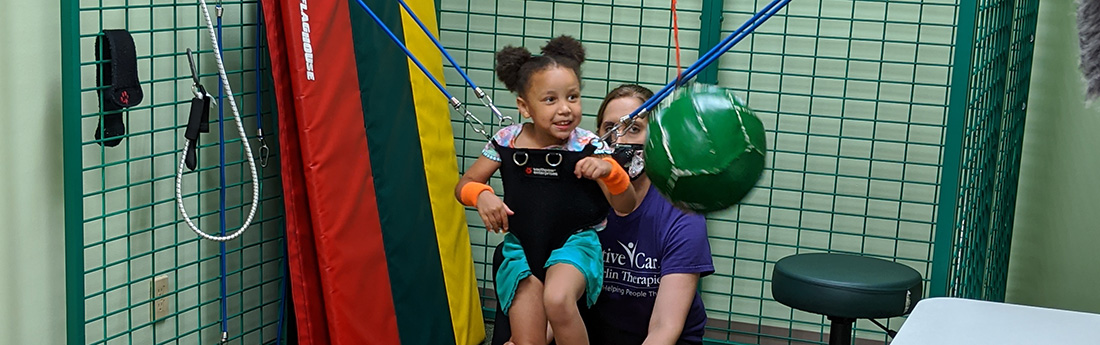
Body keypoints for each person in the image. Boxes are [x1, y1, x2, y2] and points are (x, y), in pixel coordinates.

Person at [455, 36, 638, 345]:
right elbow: (463, 186)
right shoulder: (506, 142)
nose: (565, 109)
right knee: (527, 341)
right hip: (522, 249)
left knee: (557, 299)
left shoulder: (590, 146)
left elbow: (626, 205)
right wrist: (481, 195)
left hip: (575, 244)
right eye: (550, 100)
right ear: (524, 107)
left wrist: (611, 173)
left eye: (573, 97)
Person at [586, 84, 714, 345]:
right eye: (610, 128)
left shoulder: (681, 212)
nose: (620, 140)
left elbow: (664, 328)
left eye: (634, 128)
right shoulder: (583, 196)